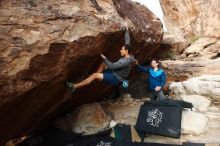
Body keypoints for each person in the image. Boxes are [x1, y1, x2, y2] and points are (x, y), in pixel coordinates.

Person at [66, 24, 134, 93]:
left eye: (122, 49)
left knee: (95, 74)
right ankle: (94, 77)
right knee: (103, 64)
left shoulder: (126, 61)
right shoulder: (129, 54)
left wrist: (104, 57)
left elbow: (112, 66)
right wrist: (127, 29)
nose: (120, 50)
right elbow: (127, 40)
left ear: (126, 51)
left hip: (116, 79)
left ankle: (74, 86)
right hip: (114, 72)